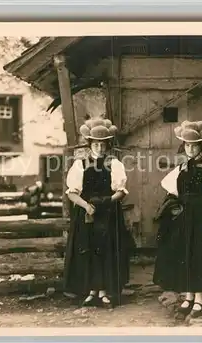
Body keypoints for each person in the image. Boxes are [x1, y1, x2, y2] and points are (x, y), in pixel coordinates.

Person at [153, 120, 202, 319]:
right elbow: (173, 192)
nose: (190, 149)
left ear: (201, 146)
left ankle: (199, 299)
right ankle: (188, 295)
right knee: (185, 254)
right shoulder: (182, 168)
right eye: (187, 145)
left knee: (200, 255)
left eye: (194, 145)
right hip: (184, 217)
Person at [63, 118, 133, 308]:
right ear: (90, 144)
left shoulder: (115, 164)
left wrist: (108, 201)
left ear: (108, 145)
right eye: (96, 144)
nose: (100, 148)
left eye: (103, 144)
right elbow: (72, 193)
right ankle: (91, 291)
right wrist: (86, 206)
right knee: (89, 251)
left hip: (108, 212)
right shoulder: (80, 164)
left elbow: (121, 191)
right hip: (87, 213)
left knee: (106, 251)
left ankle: (104, 293)